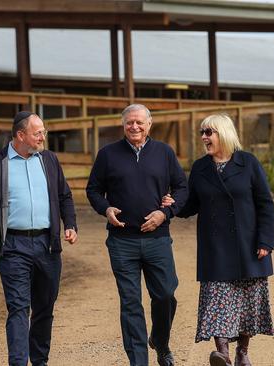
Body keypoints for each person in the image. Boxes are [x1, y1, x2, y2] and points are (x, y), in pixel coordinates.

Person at [163, 114, 274, 366]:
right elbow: (192, 205)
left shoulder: (248, 163)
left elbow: (265, 204)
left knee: (248, 302)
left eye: (209, 132)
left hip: (248, 245)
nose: (204, 137)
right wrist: (174, 205)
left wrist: (266, 241)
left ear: (223, 133)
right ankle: (222, 354)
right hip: (215, 248)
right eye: (203, 132)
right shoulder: (201, 167)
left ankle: (242, 352)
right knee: (217, 300)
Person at [86, 104, 188, 366]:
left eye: (139, 122)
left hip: (158, 239)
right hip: (122, 241)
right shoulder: (108, 154)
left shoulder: (164, 153)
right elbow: (93, 190)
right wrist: (105, 208)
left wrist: (166, 213)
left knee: (165, 294)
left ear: (149, 124)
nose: (134, 127)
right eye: (130, 122)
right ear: (123, 125)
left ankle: (161, 343)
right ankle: (138, 361)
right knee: (131, 302)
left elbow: (181, 188)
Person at [0, 111, 78, 366]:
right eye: (37, 132)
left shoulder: (50, 160)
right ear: (21, 135)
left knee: (44, 308)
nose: (43, 137)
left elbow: (65, 195)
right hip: (13, 247)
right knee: (19, 308)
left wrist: (70, 224)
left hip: (47, 245)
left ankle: (40, 361)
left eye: (43, 131)